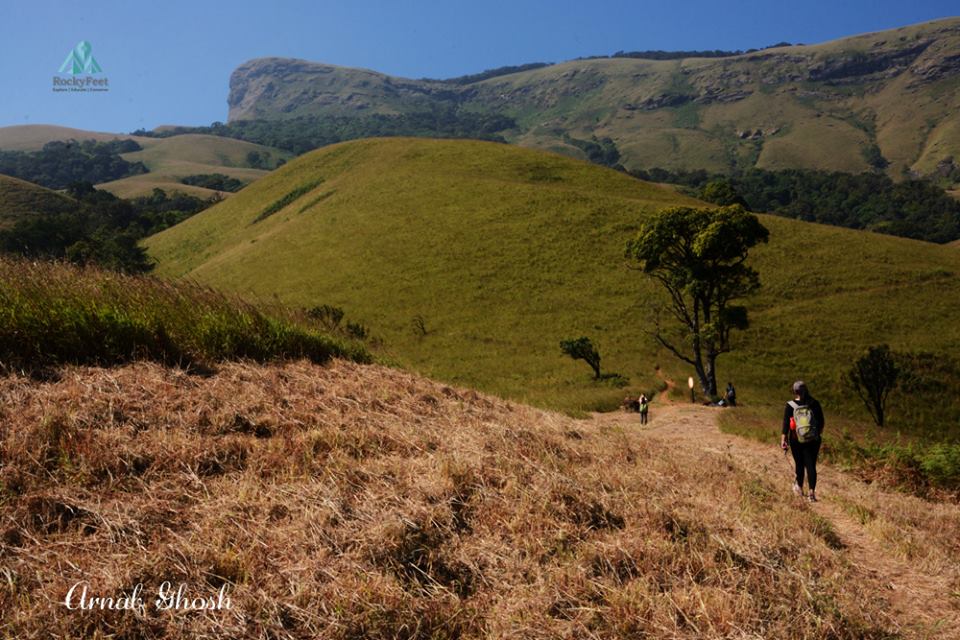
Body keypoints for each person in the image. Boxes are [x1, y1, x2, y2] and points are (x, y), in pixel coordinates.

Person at [780, 380, 825, 501]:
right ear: (806, 389)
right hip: (813, 440)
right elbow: (821, 423)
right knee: (811, 465)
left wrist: (783, 440)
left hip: (796, 439)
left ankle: (799, 488)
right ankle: (811, 494)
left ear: (795, 391)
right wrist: (814, 435)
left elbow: (786, 424)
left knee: (799, 464)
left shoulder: (790, 405)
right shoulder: (814, 403)